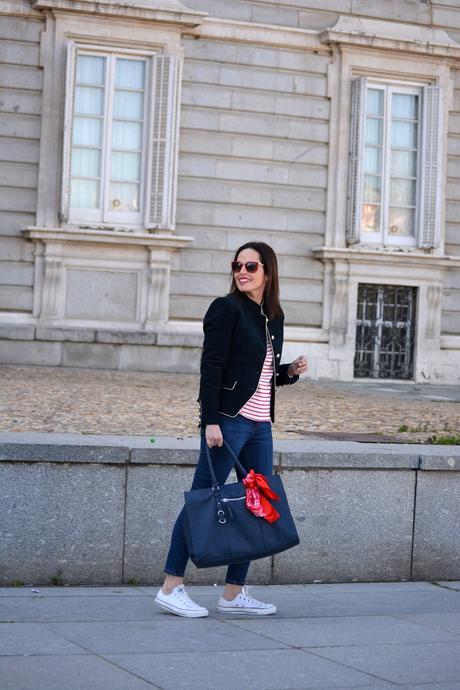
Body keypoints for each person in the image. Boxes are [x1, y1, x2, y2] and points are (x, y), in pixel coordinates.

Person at [154, 242, 308, 617]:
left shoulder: (273, 316)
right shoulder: (225, 309)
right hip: (229, 422)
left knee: (256, 504)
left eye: (250, 266)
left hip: (260, 426)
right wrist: (210, 420)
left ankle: (234, 593)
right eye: (237, 265)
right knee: (202, 499)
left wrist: (288, 372)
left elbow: (260, 373)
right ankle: (171, 586)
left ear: (267, 273)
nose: (242, 271)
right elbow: (213, 367)